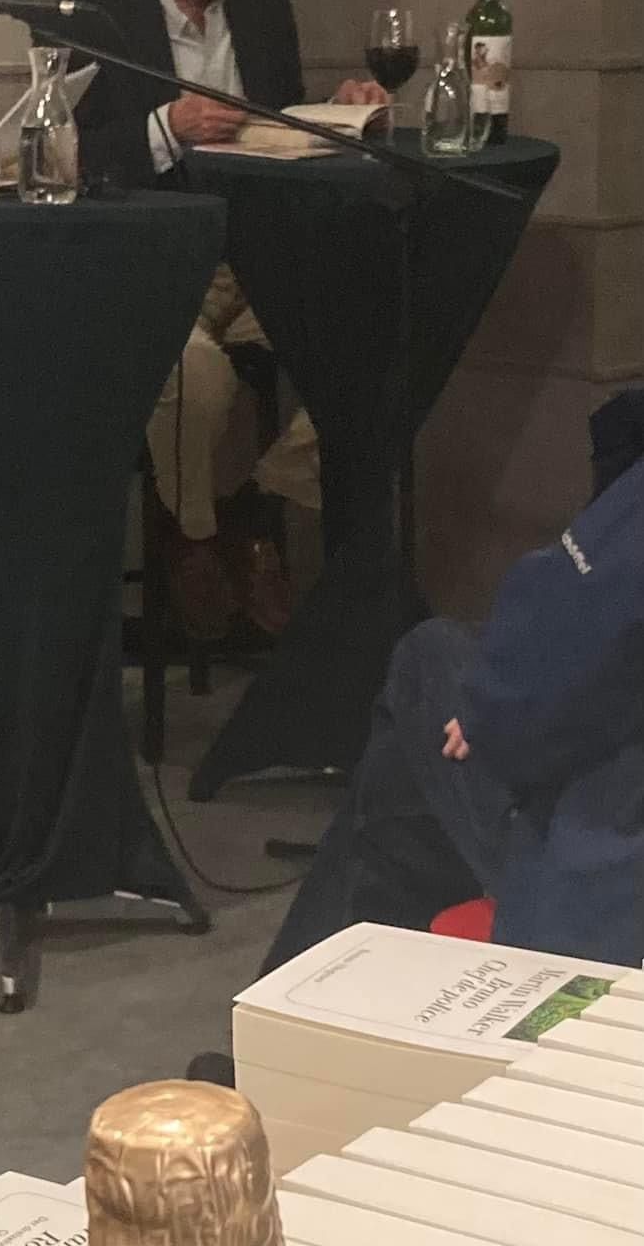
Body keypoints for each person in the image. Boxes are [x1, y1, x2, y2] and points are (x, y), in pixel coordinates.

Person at [51, 0, 386, 640]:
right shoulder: (87, 9)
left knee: (377, 329)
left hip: (259, 252)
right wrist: (165, 128)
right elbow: (62, 162)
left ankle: (256, 503)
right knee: (195, 380)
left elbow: (276, 125)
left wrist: (337, 112)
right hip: (150, 265)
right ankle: (198, 537)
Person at [258, 413, 644, 972]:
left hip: (610, 913)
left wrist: (491, 705)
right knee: (424, 748)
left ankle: (303, 1000)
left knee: (430, 661)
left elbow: (545, 672)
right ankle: (324, 996)